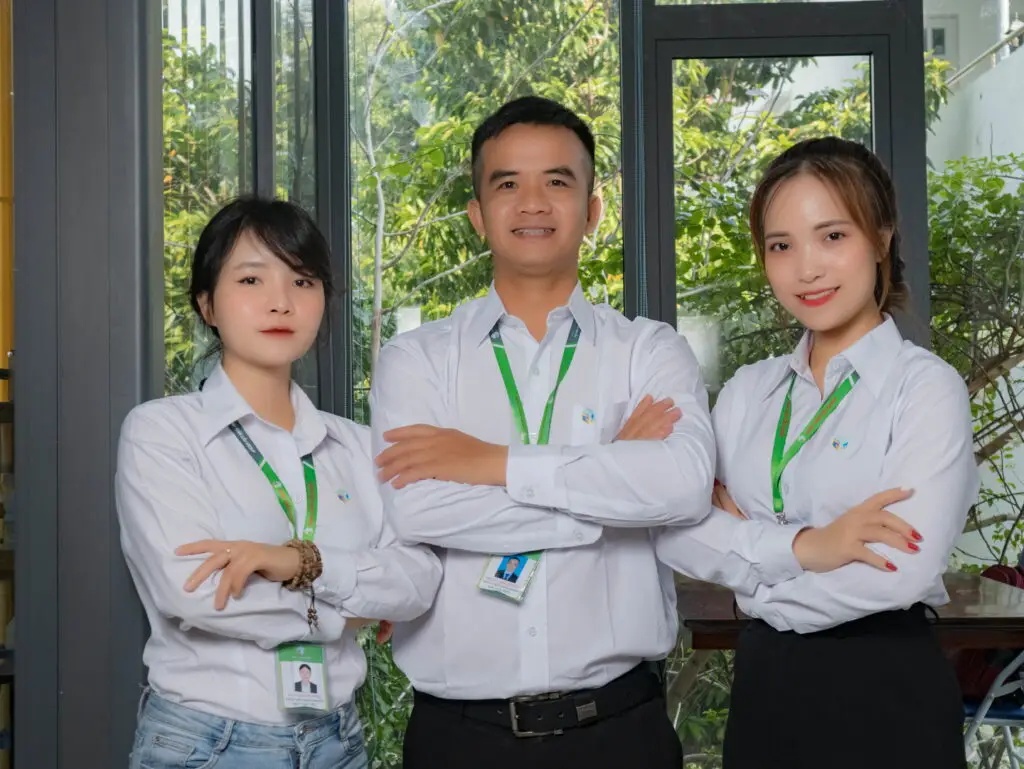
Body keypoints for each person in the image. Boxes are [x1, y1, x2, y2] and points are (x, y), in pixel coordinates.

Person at [370, 95, 715, 769]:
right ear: (477, 215)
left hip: (620, 732)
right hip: (459, 740)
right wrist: (610, 476)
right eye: (507, 184)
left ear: (592, 210)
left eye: (557, 181)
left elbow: (682, 486)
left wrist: (490, 462)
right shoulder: (416, 360)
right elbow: (418, 508)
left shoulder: (648, 350)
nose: (532, 203)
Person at [657, 137, 978, 769]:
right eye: (781, 246)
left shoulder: (924, 388)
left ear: (881, 238)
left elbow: (901, 571)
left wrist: (755, 583)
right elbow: (675, 528)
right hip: (766, 688)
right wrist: (813, 547)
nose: (806, 269)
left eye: (832, 236)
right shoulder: (748, 393)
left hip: (888, 692)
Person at [115, 197, 442, 769]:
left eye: (303, 281)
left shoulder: (358, 446)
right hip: (208, 743)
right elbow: (194, 593)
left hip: (339, 740)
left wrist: (294, 563)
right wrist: (351, 607)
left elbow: (418, 581)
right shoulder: (162, 431)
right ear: (207, 304)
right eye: (250, 279)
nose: (281, 301)